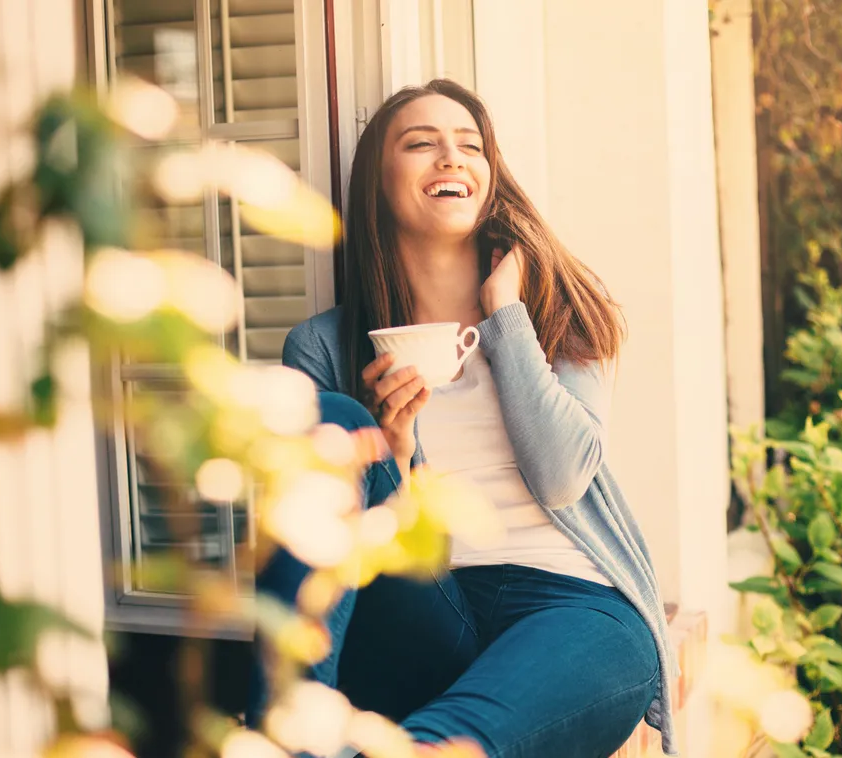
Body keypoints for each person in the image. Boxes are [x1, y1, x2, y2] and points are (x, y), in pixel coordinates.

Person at [253, 79, 677, 758]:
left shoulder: (559, 313)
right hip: (426, 605)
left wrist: (505, 311)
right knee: (332, 417)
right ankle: (290, 724)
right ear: (378, 183)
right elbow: (331, 538)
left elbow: (563, 474)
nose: (450, 158)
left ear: (489, 175)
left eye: (469, 146)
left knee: (448, 743)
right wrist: (394, 453)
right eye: (421, 144)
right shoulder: (323, 346)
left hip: (571, 608)